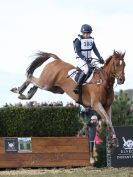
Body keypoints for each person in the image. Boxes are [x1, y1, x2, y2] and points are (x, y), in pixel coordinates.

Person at [73, 24, 104, 94]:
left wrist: (100, 58)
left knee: (97, 68)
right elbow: (78, 52)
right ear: (82, 33)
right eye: (85, 33)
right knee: (86, 70)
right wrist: (84, 58)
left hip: (89, 59)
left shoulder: (91, 40)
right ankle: (78, 86)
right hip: (80, 59)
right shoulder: (78, 40)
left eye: (88, 33)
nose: (87, 35)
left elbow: (95, 50)